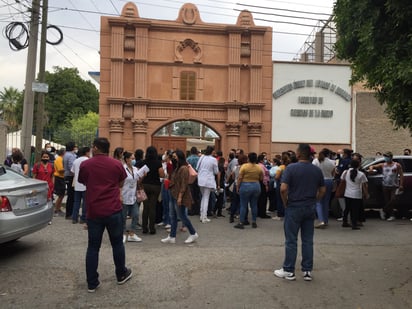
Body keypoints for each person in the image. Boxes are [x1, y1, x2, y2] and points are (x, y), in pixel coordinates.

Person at [78, 137, 132, 293]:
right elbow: (121, 182)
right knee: (117, 243)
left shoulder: (86, 164)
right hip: (114, 210)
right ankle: (121, 274)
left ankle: (92, 282)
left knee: (93, 247)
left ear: (95, 148)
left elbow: (83, 181)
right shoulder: (116, 164)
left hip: (94, 211)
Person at [274, 144, 325, 281]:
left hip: (294, 206)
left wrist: (286, 203)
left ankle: (289, 270)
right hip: (310, 206)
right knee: (308, 240)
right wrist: (315, 200)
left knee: (291, 240)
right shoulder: (316, 170)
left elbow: (283, 189)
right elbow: (323, 190)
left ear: (298, 154)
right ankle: (307, 270)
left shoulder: (291, 168)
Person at [161, 150, 199, 244]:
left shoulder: (183, 168)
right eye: (172, 156)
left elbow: (184, 184)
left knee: (182, 216)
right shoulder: (177, 167)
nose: (173, 158)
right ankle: (172, 236)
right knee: (172, 216)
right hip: (172, 193)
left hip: (178, 194)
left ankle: (193, 233)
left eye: (175, 156)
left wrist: (180, 197)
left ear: (179, 157)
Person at [368, 151, 404, 221]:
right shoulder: (383, 165)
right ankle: (391, 215)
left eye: (387, 157)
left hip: (394, 185)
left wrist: (401, 184)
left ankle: (383, 210)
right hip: (385, 185)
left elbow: (401, 175)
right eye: (385, 157)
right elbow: (372, 165)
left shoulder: (397, 165)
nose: (386, 158)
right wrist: (371, 169)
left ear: (391, 157)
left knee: (393, 199)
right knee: (387, 201)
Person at [234, 152, 263, 229]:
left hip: (245, 186)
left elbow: (240, 178)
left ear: (248, 158)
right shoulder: (259, 167)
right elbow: (261, 178)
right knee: (254, 205)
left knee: (243, 205)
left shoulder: (244, 166)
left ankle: (241, 222)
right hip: (256, 186)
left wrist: (237, 187)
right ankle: (254, 221)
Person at [141, 146, 165, 234]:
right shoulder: (158, 163)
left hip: (145, 185)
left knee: (145, 207)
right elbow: (162, 175)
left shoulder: (143, 162)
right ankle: (152, 228)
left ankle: (144, 227)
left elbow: (140, 174)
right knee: (153, 207)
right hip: (155, 186)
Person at [341, 159, 369, 230]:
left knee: (347, 208)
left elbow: (342, 180)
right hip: (357, 194)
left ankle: (345, 221)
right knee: (355, 210)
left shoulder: (345, 172)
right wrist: (366, 194)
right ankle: (354, 224)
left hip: (347, 193)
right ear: (359, 165)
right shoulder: (361, 174)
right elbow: (364, 185)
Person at [122, 151, 143, 243]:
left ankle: (131, 233)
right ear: (127, 159)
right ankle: (122, 234)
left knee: (135, 214)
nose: (133, 160)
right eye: (132, 158)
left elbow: (137, 180)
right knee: (123, 216)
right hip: (124, 194)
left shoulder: (135, 169)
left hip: (133, 195)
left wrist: (142, 175)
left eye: (134, 158)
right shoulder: (122, 168)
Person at [312, 148, 335, 228]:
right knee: (326, 202)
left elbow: (313, 171)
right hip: (329, 181)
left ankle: (321, 220)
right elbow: (333, 173)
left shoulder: (316, 161)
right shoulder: (332, 162)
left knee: (318, 201)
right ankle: (325, 220)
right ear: (328, 154)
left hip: (319, 181)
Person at [196, 145, 219, 223]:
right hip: (208, 180)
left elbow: (197, 168)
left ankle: (201, 215)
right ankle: (204, 217)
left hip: (200, 179)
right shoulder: (213, 160)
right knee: (206, 198)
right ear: (212, 151)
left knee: (203, 197)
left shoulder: (201, 157)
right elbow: (216, 171)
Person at [71, 147, 90, 225]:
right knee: (85, 202)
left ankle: (74, 218)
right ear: (86, 152)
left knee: (76, 202)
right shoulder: (88, 161)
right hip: (86, 185)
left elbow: (72, 172)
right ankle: (83, 218)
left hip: (77, 184)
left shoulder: (76, 160)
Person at [63, 141, 77, 220]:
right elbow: (72, 168)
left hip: (67, 175)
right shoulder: (71, 156)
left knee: (70, 195)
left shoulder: (66, 155)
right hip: (70, 176)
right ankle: (69, 213)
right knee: (71, 195)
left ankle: (69, 213)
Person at [53, 148, 66, 216]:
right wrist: (67, 169)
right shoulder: (59, 159)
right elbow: (60, 170)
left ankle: (58, 208)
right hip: (59, 178)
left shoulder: (61, 159)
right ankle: (56, 209)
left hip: (61, 178)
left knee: (62, 195)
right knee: (61, 195)